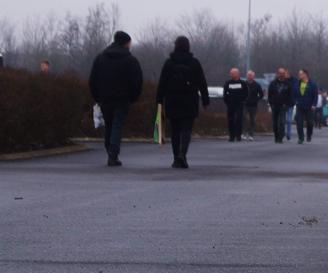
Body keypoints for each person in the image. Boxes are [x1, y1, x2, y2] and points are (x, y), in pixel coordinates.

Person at [88, 30, 143, 167]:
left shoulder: (100, 58)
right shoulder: (131, 60)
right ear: (126, 43)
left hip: (105, 99)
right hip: (123, 99)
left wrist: (97, 97)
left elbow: (93, 80)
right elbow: (137, 81)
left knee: (109, 124)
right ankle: (113, 153)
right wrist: (133, 97)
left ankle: (110, 151)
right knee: (117, 125)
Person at [155, 36, 210, 169]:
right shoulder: (194, 63)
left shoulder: (169, 63)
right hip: (189, 99)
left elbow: (162, 82)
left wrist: (159, 100)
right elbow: (202, 82)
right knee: (186, 129)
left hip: (172, 99)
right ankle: (183, 154)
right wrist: (205, 100)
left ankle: (175, 158)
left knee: (175, 130)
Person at [267, 68, 294, 143]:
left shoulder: (288, 84)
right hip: (275, 105)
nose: (282, 75)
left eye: (283, 73)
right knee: (275, 122)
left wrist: (288, 104)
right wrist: (271, 103)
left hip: (283, 106)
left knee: (282, 122)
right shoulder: (273, 83)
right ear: (278, 74)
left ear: (284, 74)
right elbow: (270, 95)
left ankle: (280, 137)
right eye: (280, 73)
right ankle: (276, 136)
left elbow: (290, 96)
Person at [294, 69, 319, 144]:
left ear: (305, 75)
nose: (299, 75)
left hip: (309, 107)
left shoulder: (313, 84)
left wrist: (314, 105)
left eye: (300, 74)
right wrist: (295, 101)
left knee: (310, 123)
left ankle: (309, 135)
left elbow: (315, 96)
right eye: (299, 74)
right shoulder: (297, 84)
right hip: (300, 106)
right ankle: (301, 138)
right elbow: (293, 93)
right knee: (299, 122)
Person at [223, 67, 246, 142]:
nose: (232, 75)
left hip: (239, 104)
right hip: (230, 105)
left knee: (238, 120)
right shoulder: (228, 83)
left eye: (233, 73)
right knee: (231, 120)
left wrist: (243, 100)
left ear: (237, 74)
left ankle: (238, 135)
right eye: (231, 73)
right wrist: (227, 102)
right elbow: (225, 94)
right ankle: (231, 136)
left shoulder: (242, 83)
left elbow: (246, 93)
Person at [243, 70, 265, 140]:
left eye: (251, 75)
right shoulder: (244, 84)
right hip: (245, 104)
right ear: (247, 76)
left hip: (253, 105)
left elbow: (261, 94)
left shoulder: (257, 85)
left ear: (253, 76)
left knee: (252, 120)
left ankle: (251, 134)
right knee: (243, 118)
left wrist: (256, 99)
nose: (249, 76)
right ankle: (243, 133)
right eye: (248, 75)